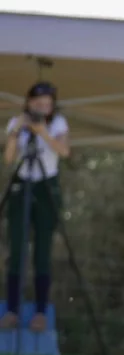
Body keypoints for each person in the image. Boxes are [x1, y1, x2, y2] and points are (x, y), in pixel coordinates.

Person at [1, 81, 70, 332]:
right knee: (17, 250)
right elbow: (9, 158)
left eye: (47, 104)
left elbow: (64, 151)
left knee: (43, 251)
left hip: (46, 184)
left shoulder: (58, 124)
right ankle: (11, 310)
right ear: (29, 103)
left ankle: (40, 312)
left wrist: (43, 132)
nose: (42, 108)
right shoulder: (16, 122)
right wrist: (16, 132)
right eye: (38, 103)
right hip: (22, 181)